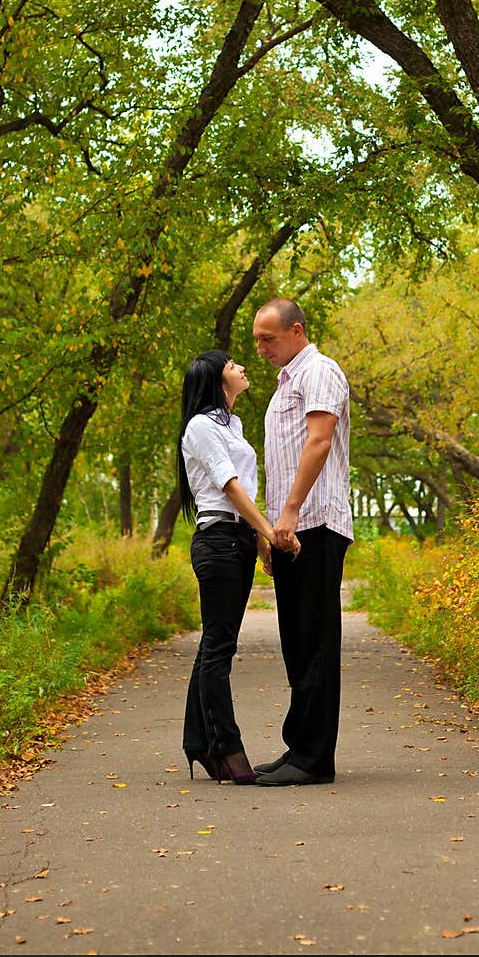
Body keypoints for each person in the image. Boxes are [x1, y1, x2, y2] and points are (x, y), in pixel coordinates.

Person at [177, 348, 298, 786]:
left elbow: (245, 485)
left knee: (216, 642)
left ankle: (199, 743)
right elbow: (228, 487)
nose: (242, 367)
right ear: (216, 379)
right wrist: (268, 530)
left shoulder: (234, 424)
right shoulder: (201, 427)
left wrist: (259, 542)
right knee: (219, 647)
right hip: (218, 542)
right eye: (232, 365)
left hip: (238, 542)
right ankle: (225, 747)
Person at [251, 297, 353, 786]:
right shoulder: (286, 383)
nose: (260, 348)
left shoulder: (320, 371)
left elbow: (319, 441)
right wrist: (271, 530)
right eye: (256, 340)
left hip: (315, 524)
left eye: (268, 338)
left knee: (314, 640)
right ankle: (301, 747)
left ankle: (313, 759)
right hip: (290, 531)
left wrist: (289, 513)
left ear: (296, 331)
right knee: (296, 640)